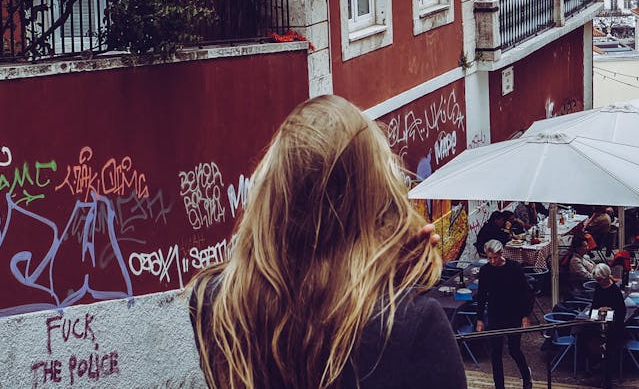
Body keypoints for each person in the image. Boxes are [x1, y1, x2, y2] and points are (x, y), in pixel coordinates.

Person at [187, 95, 466, 389]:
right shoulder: (415, 326)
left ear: (272, 190)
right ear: (374, 196)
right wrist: (402, 292)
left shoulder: (213, 301)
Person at [475, 239, 534, 389]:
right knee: (496, 353)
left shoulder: (514, 268)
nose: (492, 261)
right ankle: (499, 386)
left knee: (514, 349)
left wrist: (525, 315)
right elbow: (482, 295)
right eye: (489, 258)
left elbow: (526, 293)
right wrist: (480, 318)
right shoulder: (486, 271)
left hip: (513, 313)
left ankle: (527, 378)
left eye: (495, 257)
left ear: (501, 253)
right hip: (495, 314)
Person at [588, 263, 625, 389]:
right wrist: (599, 309)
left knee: (609, 347)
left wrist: (611, 311)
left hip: (614, 327)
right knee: (584, 335)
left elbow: (621, 313)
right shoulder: (599, 288)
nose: (599, 282)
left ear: (606, 277)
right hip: (599, 324)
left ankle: (607, 379)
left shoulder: (615, 291)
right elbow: (593, 307)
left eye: (600, 280)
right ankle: (591, 365)